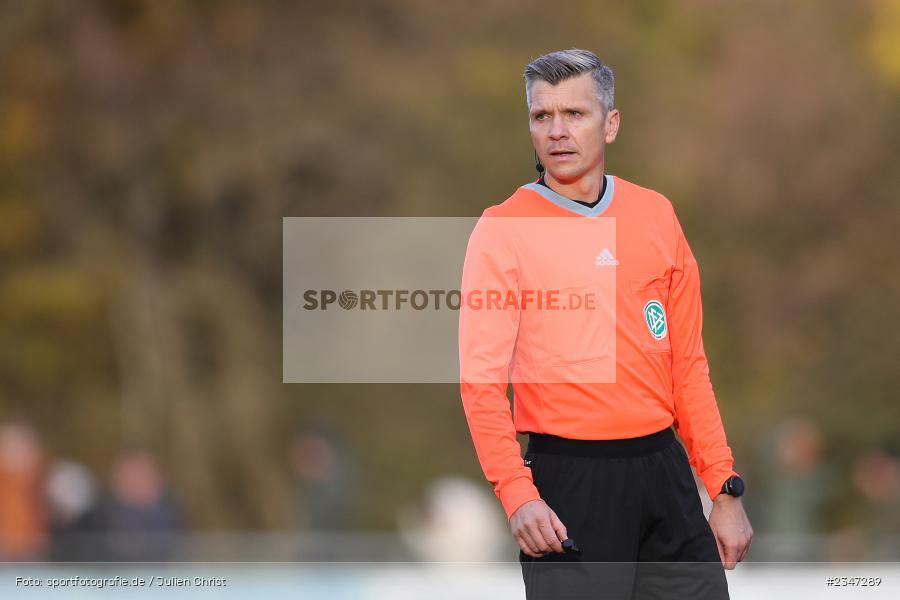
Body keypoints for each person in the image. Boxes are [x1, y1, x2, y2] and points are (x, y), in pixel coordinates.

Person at [458, 49, 752, 599]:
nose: (557, 131)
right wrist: (518, 494)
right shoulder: (502, 230)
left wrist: (723, 487)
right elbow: (480, 384)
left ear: (610, 124)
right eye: (542, 116)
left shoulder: (656, 215)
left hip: (665, 474)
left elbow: (687, 366)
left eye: (575, 114)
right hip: (570, 482)